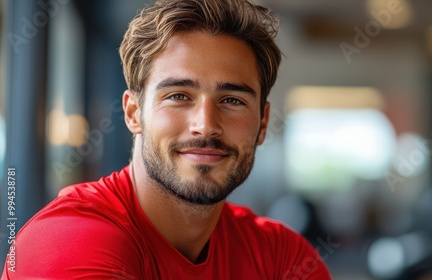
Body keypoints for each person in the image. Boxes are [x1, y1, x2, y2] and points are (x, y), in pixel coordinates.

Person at [2, 0, 331, 279]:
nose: (205, 125)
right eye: (178, 96)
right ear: (133, 114)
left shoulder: (283, 256)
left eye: (232, 100)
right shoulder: (68, 242)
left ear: (262, 123)